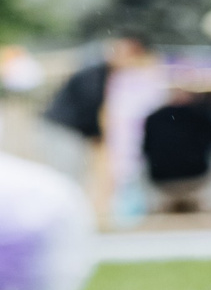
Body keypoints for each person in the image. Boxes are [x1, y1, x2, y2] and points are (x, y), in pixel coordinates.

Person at [39, 34, 149, 219]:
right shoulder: (96, 75)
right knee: (66, 177)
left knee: (74, 176)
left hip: (70, 131)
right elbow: (89, 109)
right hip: (62, 129)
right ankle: (60, 218)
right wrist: (97, 136)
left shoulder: (107, 75)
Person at [141, 86, 211, 214]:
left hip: (161, 182)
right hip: (197, 180)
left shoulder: (153, 118)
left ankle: (161, 206)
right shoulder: (199, 113)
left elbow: (145, 150)